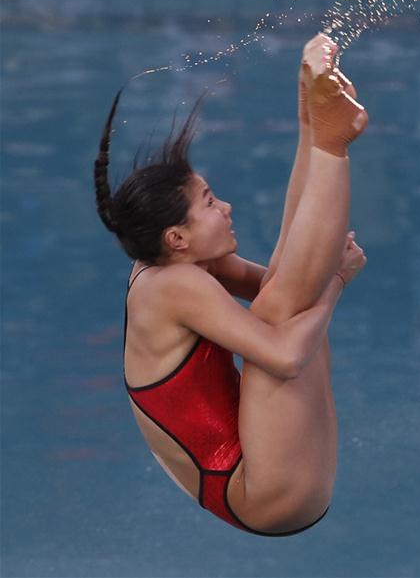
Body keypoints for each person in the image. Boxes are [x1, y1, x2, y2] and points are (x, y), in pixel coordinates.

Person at [93, 34, 368, 535]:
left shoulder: (173, 261)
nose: (227, 208)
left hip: (279, 474)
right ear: (177, 237)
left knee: (284, 295)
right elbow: (285, 354)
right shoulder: (170, 286)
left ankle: (316, 121)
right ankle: (331, 142)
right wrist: (336, 287)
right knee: (279, 319)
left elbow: (290, 278)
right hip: (263, 494)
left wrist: (310, 110)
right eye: (210, 202)